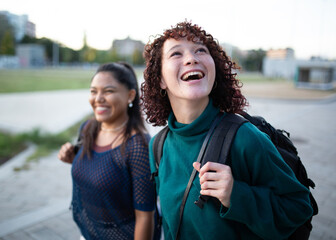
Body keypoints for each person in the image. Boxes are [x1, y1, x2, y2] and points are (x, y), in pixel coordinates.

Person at [141, 21, 313, 240]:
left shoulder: (246, 138)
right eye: (176, 54)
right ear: (161, 80)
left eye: (200, 50)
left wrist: (236, 194)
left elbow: (298, 208)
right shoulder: (158, 146)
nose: (191, 58)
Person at [58, 62, 156, 240]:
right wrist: (74, 158)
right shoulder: (87, 128)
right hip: (87, 234)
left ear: (130, 95)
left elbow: (145, 216)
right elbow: (107, 174)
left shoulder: (137, 146)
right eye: (93, 91)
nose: (98, 98)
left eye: (108, 91)